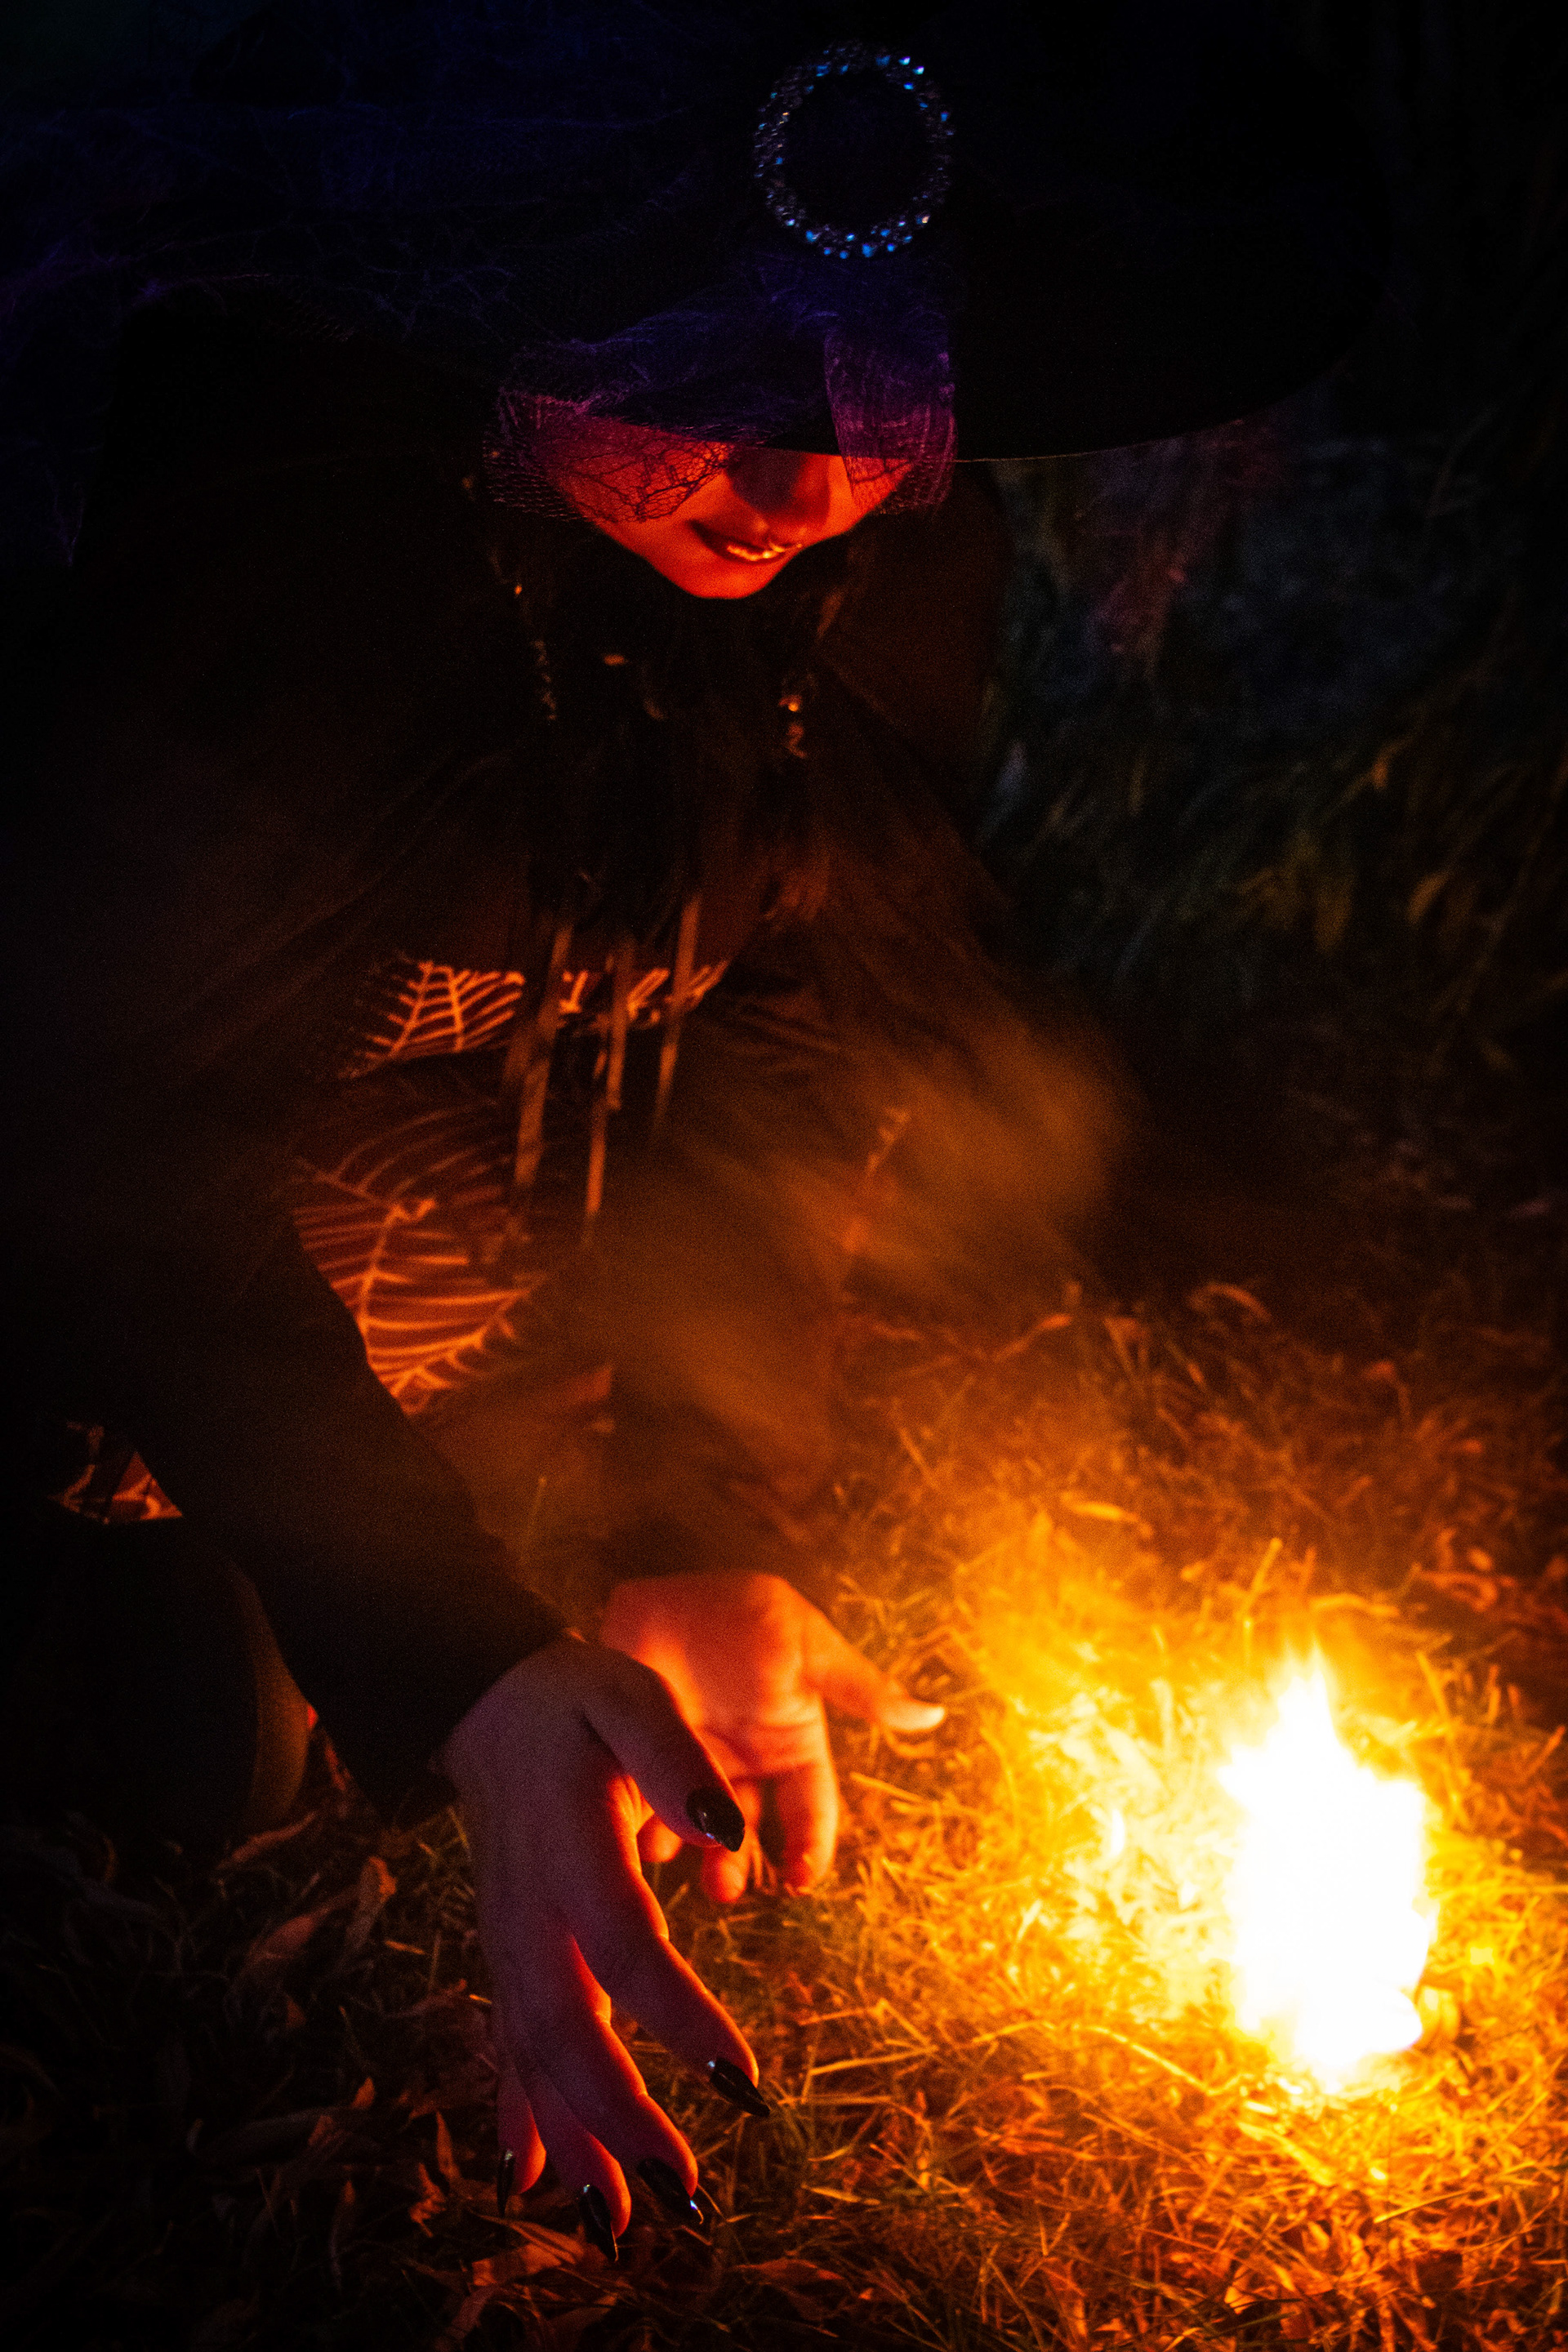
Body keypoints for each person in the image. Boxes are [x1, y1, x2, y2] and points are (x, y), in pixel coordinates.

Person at [0, 0, 1384, 2258]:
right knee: (172, 1746)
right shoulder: (280, 550)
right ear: (528, 283)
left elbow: (794, 1023)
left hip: (347, 1140)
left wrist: (697, 1512)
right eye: (709, 391)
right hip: (77, 1143)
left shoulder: (860, 554)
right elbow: (102, 1132)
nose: (800, 486)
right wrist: (444, 1651)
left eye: (865, 400)